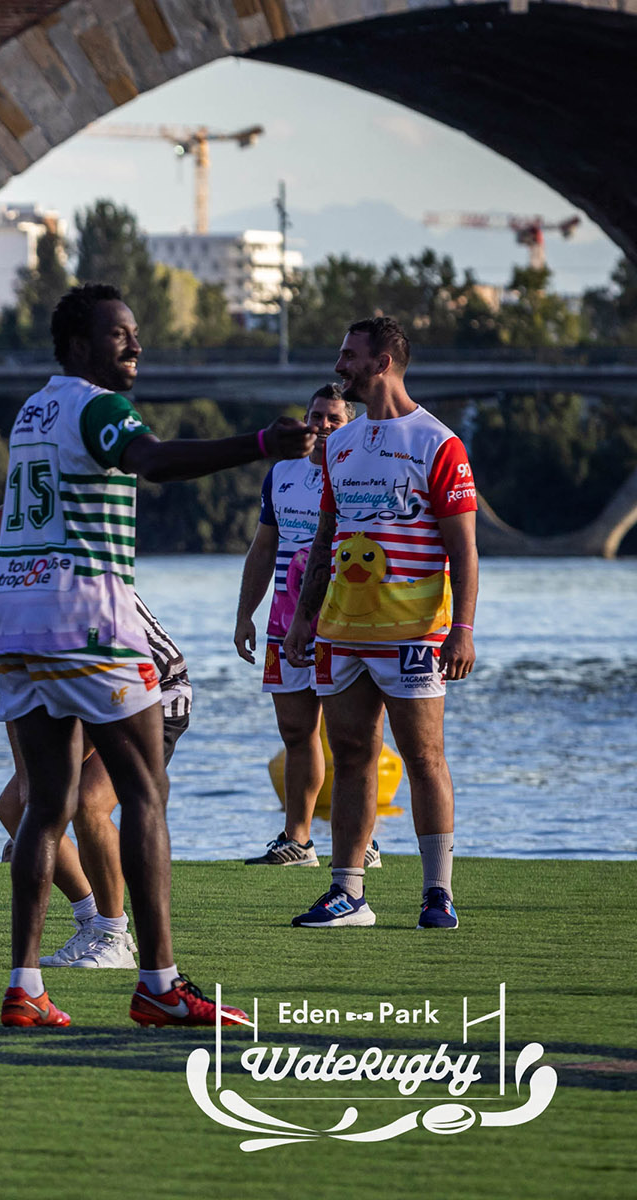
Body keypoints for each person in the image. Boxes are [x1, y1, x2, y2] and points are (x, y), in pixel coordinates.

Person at [0, 283, 312, 1029]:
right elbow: (154, 461)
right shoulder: (97, 406)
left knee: (44, 807)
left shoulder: (31, 410)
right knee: (144, 795)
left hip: (19, 621)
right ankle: (160, 985)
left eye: (136, 335)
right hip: (90, 626)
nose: (135, 347)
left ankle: (24, 987)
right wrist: (260, 444)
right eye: (119, 335)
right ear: (78, 346)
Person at [283, 317, 477, 930]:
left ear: (384, 362)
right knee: (351, 754)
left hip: (414, 633)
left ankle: (437, 894)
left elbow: (464, 548)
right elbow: (324, 538)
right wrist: (304, 616)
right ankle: (348, 894)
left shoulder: (436, 442)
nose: (340, 365)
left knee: (423, 758)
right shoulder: (339, 443)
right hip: (341, 630)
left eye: (350, 356)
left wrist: (464, 629)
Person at [0, 513, 194, 972]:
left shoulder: (86, 589)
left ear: (21, 557)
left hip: (152, 693)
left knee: (90, 802)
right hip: (83, 696)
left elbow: (124, 678)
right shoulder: (13, 594)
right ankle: (93, 922)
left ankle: (115, 937)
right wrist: (30, 784)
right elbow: (17, 690)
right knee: (16, 808)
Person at [234, 385, 378, 869]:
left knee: (351, 735)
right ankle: (298, 841)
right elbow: (263, 548)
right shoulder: (281, 474)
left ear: (352, 424)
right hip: (283, 622)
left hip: (345, 619)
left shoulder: (363, 472)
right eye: (316, 416)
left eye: (334, 418)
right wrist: (243, 615)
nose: (322, 426)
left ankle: (364, 841)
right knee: (297, 731)